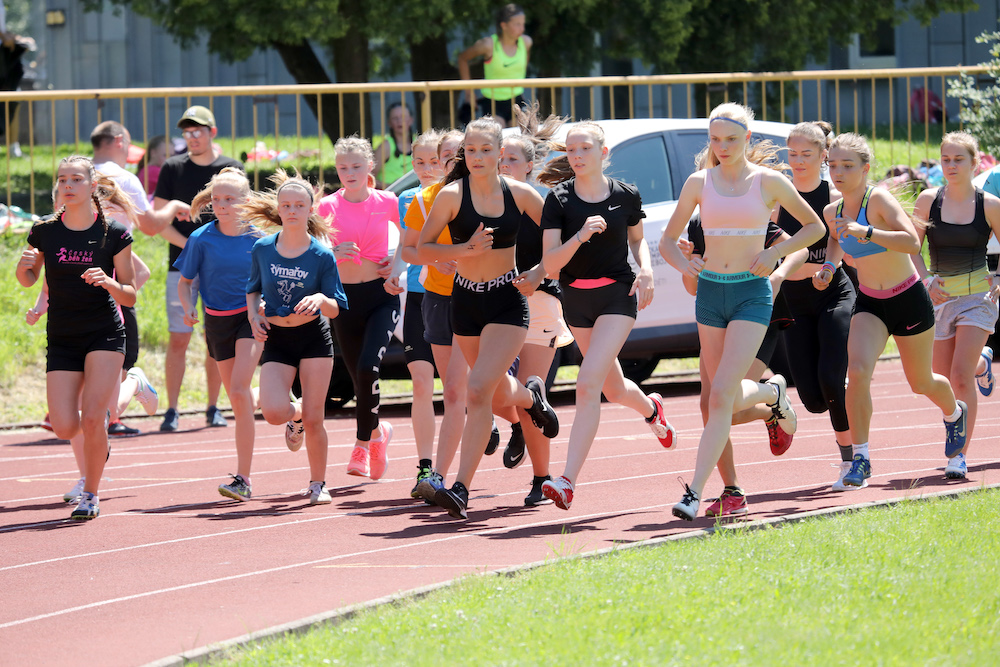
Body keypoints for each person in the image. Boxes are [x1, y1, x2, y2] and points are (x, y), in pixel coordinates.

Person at [658, 103, 825, 521]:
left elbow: (815, 228)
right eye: (715, 139)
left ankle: (694, 493)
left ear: (746, 139)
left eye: (731, 139)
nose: (723, 146)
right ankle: (772, 393)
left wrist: (774, 255)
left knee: (720, 396)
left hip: (751, 294)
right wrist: (685, 265)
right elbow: (667, 242)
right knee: (719, 401)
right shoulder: (699, 182)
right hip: (710, 294)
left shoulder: (769, 181)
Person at [415, 116, 559, 519]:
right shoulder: (451, 195)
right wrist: (463, 250)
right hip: (464, 302)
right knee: (492, 394)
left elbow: (558, 237)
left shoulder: (521, 194)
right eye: (471, 150)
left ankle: (460, 488)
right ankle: (531, 397)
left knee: (476, 389)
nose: (477, 157)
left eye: (486, 150)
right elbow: (423, 249)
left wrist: (539, 273)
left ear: (500, 152)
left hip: (506, 301)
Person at [535, 121, 676, 511]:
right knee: (613, 389)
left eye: (585, 149)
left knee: (586, 384)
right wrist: (580, 235)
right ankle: (652, 409)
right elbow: (550, 264)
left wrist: (646, 270)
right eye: (571, 150)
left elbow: (637, 239)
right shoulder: (559, 200)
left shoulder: (626, 195)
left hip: (618, 296)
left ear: (603, 153)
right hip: (576, 300)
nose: (577, 156)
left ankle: (566, 481)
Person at [824, 132, 967, 489]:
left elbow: (912, 242)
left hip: (908, 299)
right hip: (870, 303)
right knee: (857, 372)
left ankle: (954, 413)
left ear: (865, 168)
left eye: (847, 165)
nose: (838, 172)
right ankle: (861, 458)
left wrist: (868, 231)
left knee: (921, 383)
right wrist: (828, 266)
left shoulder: (878, 200)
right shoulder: (832, 211)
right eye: (833, 165)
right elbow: (835, 240)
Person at [16, 155, 139, 520]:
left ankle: (90, 495)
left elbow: (131, 294)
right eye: (62, 179)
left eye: (75, 179)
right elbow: (29, 280)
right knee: (64, 425)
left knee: (92, 419)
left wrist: (109, 282)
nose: (67, 185)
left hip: (104, 333)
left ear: (91, 185)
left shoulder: (114, 233)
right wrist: (23, 269)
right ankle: (114, 409)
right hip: (63, 336)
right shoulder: (45, 230)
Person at [679, 205, 808, 516]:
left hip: (756, 316)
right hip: (716, 318)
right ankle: (733, 490)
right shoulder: (699, 224)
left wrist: (777, 276)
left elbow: (800, 249)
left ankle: (772, 395)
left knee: (727, 404)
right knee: (710, 406)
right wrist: (688, 264)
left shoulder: (747, 215)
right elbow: (692, 287)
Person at [242, 170, 348, 505]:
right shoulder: (262, 249)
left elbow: (336, 307)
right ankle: (296, 413)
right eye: (286, 205)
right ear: (278, 208)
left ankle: (318, 483)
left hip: (313, 338)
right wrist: (254, 316)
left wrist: (320, 299)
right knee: (274, 412)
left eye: (299, 205)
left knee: (316, 420)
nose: (292, 210)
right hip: (277, 339)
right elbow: (252, 289)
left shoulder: (321, 255)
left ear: (310, 209)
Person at [773, 121, 860, 490]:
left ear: (823, 155)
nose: (798, 160)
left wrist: (829, 266)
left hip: (833, 293)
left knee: (829, 379)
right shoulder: (777, 195)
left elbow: (840, 242)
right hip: (793, 302)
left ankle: (851, 461)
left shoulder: (833, 195)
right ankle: (830, 387)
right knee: (812, 400)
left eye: (806, 154)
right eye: (792, 154)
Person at [148, 105, 243, 432]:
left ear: (212, 132)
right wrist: (192, 246)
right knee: (179, 338)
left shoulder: (231, 168)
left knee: (216, 340)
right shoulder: (172, 167)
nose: (192, 137)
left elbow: (243, 216)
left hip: (222, 269)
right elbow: (158, 222)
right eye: (187, 132)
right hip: (182, 267)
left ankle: (213, 406)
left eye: (198, 131)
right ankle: (172, 410)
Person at [911, 131, 1000, 480]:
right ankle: (982, 362)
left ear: (974, 163)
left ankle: (958, 455)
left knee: (959, 378)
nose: (951, 165)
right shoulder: (928, 201)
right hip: (939, 299)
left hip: (978, 299)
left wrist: (999, 278)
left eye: (958, 159)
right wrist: (926, 281)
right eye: (945, 159)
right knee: (940, 378)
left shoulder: (989, 204)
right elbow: (910, 249)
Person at [499, 103, 574, 505]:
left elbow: (559, 255)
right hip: (493, 306)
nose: (503, 164)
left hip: (538, 304)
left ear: (529, 166)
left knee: (531, 384)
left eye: (512, 159)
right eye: (500, 158)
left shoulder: (543, 205)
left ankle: (541, 478)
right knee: (489, 391)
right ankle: (521, 418)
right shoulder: (483, 202)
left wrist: (538, 275)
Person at [316, 136, 402, 482]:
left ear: (370, 166)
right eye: (342, 167)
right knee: (358, 378)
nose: (349, 173)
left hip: (381, 297)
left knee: (368, 367)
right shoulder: (326, 206)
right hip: (344, 302)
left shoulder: (388, 201)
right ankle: (380, 433)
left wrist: (397, 265)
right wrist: (332, 253)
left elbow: (412, 239)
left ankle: (361, 446)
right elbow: (311, 252)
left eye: (356, 166)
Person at [175, 168, 264, 501]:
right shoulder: (201, 238)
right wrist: (188, 307)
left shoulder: (260, 239)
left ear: (246, 200)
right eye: (216, 199)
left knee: (239, 391)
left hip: (250, 318)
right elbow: (185, 283)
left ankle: (244, 478)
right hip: (216, 322)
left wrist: (265, 303)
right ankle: (288, 406)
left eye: (230, 199)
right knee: (241, 399)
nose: (222, 205)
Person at [400, 129, 470, 502]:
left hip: (484, 298)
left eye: (460, 154)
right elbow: (408, 250)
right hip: (437, 298)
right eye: (447, 157)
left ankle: (516, 409)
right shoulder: (423, 199)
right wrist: (435, 259)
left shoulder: (495, 194)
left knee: (475, 389)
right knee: (450, 388)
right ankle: (436, 474)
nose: (452, 162)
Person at [90, 120, 172, 435]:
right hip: (92, 281)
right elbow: (150, 226)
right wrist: (175, 207)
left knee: (115, 363)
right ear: (120, 141)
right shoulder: (120, 178)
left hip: (111, 284)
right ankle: (113, 402)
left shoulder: (78, 174)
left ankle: (124, 393)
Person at [386, 130, 444, 498]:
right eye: (418, 161)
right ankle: (425, 466)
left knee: (461, 386)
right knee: (421, 383)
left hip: (453, 296)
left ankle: (490, 423)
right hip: (420, 298)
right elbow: (406, 244)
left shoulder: (458, 196)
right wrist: (395, 272)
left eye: (434, 161)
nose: (426, 168)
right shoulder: (407, 199)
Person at [457, 4, 532, 127]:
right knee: (497, 134)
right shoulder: (488, 45)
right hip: (492, 102)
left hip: (516, 99)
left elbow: (522, 68)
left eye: (523, 24)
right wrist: (468, 93)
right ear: (504, 25)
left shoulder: (526, 42)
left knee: (520, 135)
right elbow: (462, 58)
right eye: (517, 24)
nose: (522, 29)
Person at [372, 103, 415, 188]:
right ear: (389, 123)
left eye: (403, 117)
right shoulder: (385, 146)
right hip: (390, 193)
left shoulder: (418, 144)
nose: (399, 121)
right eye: (395, 118)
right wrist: (391, 187)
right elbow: (369, 177)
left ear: (411, 120)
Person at [136, 135, 168, 200]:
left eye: (172, 155)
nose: (169, 159)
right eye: (165, 155)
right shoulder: (154, 171)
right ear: (153, 153)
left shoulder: (146, 169)